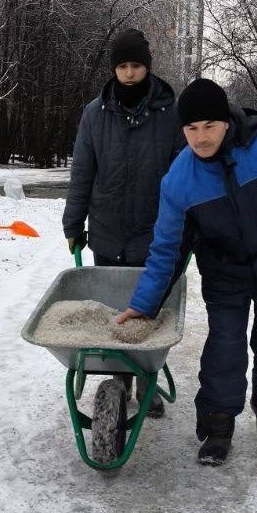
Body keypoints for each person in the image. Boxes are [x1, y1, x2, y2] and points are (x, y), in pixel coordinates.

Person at [116, 78, 257, 465]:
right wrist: (145, 303)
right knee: (224, 348)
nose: (200, 138)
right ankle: (219, 426)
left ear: (226, 121)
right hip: (224, 272)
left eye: (209, 126)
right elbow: (167, 249)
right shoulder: (179, 181)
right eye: (191, 129)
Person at [63, 28, 185, 417]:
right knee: (114, 308)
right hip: (108, 227)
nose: (130, 73)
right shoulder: (94, 114)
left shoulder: (171, 113)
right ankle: (119, 380)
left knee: (151, 309)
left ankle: (147, 379)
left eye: (136, 65)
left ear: (146, 67)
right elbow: (83, 172)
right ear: (114, 69)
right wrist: (72, 224)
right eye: (123, 66)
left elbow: (185, 174)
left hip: (154, 231)